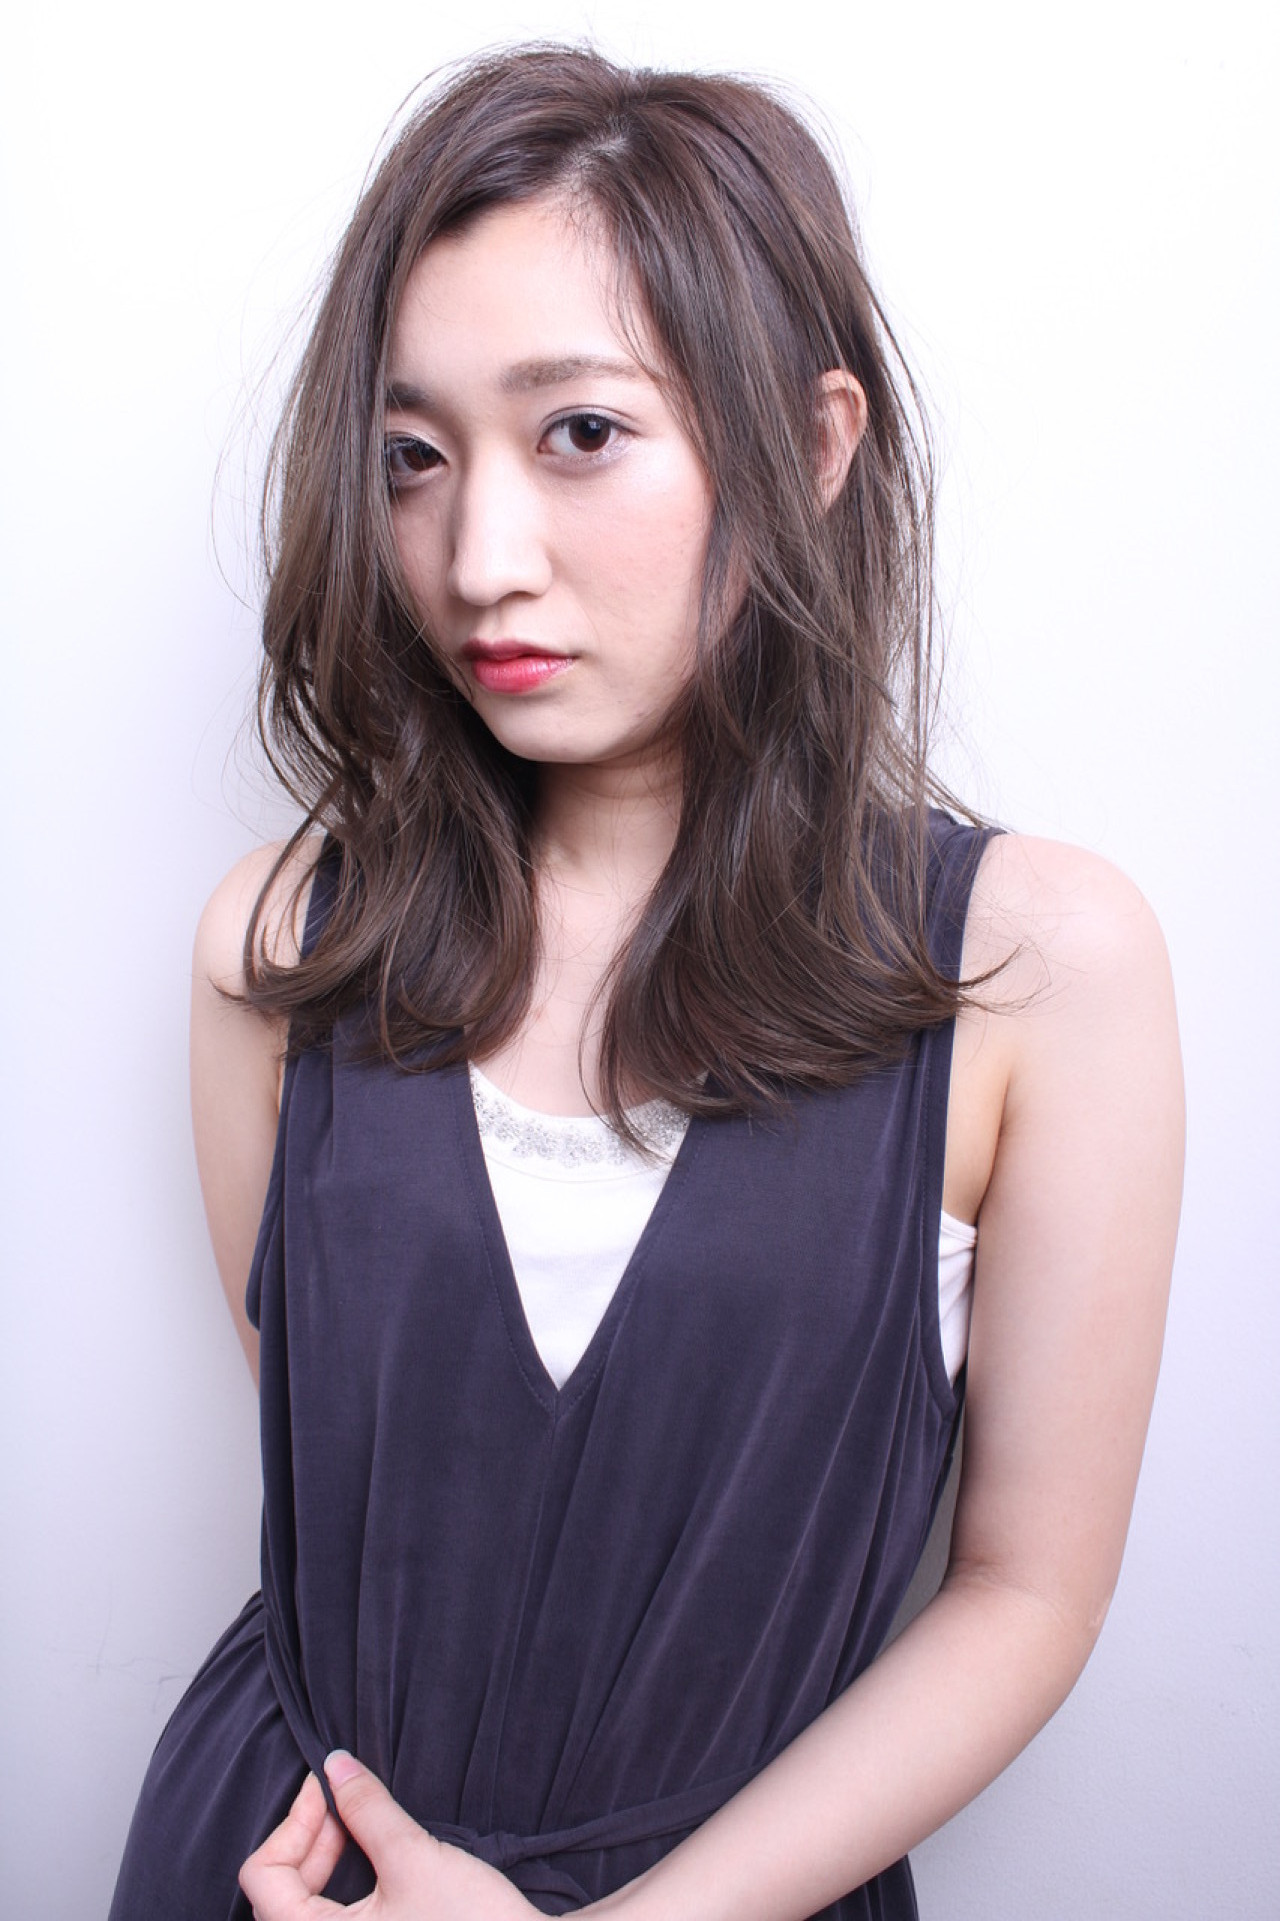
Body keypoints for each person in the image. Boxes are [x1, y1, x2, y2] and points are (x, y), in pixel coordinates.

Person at [109, 42, 1183, 1921]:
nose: (477, 558)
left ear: (814, 448)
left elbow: (1028, 1590)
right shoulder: (280, 949)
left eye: (581, 433)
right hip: (280, 1874)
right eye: (414, 456)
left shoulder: (1033, 966)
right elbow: (386, 1519)